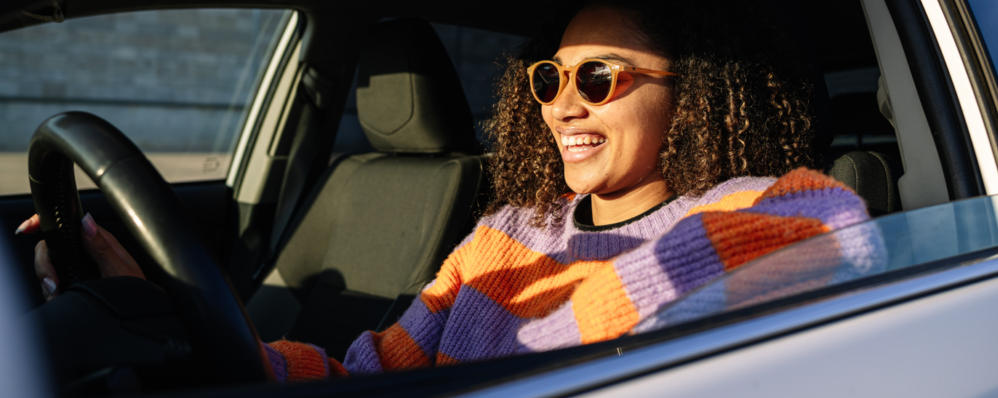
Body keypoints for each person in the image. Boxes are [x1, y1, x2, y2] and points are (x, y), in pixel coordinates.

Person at [20, 0, 868, 381]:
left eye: (599, 77)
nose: (562, 104)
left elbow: (833, 225)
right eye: (547, 77)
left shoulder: (754, 205)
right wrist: (165, 307)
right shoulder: (507, 236)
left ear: (696, 95)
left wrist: (543, 347)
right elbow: (374, 372)